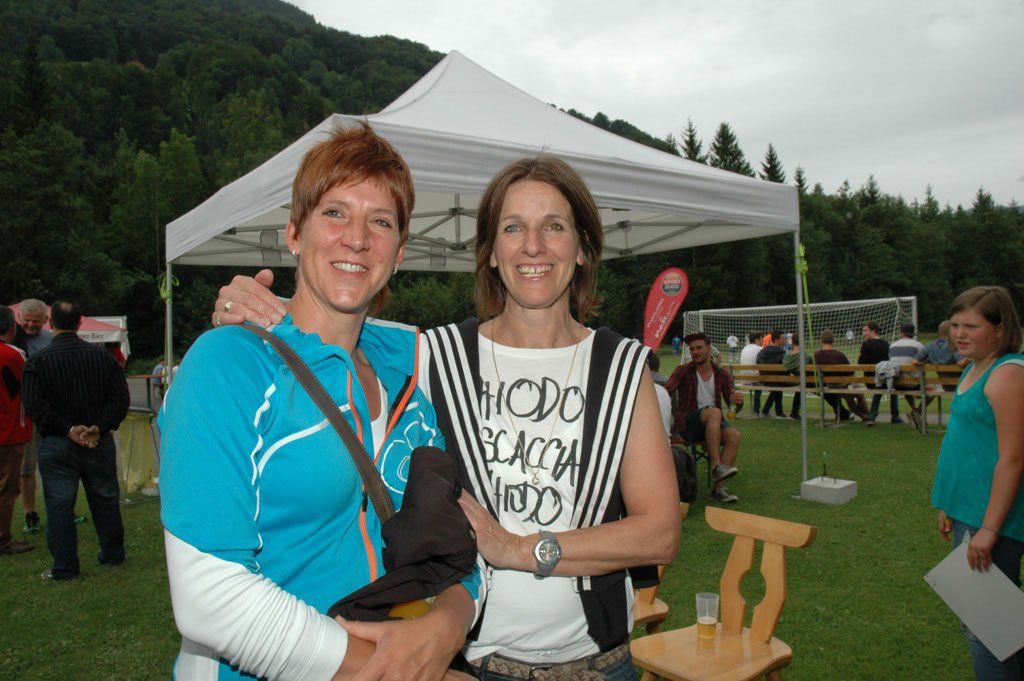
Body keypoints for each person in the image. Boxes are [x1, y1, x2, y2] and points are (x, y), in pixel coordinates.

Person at [217, 154, 680, 680]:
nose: (533, 246)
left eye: (554, 227)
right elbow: (328, 316)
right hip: (468, 663)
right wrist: (254, 306)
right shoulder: (432, 354)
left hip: (598, 662)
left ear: (582, 249)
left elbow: (660, 533)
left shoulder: (622, 367)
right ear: (491, 253)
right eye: (513, 228)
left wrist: (519, 549)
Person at [162, 125, 481, 681]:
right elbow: (208, 598)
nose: (356, 239)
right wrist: (393, 671)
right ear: (294, 233)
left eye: (380, 222)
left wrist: (450, 622)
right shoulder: (229, 364)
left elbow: (454, 537)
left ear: (399, 252)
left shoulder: (407, 381)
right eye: (335, 212)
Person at [931, 285, 1024, 679]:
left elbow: (1013, 458)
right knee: (1001, 623)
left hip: (992, 516)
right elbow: (969, 444)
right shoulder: (975, 366)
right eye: (955, 325)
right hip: (967, 509)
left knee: (986, 629)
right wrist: (948, 504)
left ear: (1000, 329)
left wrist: (988, 529)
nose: (959, 334)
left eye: (971, 326)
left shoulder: (1007, 373)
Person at [22, 300, 129, 580]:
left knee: (59, 505)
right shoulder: (104, 358)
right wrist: (98, 428)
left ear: (49, 322)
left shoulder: (37, 362)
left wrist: (67, 429)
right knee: (105, 498)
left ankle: (65, 567)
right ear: (80, 323)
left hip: (57, 444)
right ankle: (113, 554)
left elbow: (34, 406)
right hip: (97, 442)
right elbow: (120, 400)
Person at [665, 332, 743, 503]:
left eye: (699, 348)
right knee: (714, 412)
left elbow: (732, 407)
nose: (695, 352)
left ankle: (718, 489)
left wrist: (738, 402)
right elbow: (666, 391)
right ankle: (716, 465)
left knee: (734, 435)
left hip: (713, 424)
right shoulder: (683, 370)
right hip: (688, 423)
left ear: (709, 349)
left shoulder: (722, 374)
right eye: (692, 349)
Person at [14, 299, 52, 535]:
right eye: (26, 321)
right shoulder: (9, 338)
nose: (30, 325)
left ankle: (62, 510)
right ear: (18, 317)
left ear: (45, 320)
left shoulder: (50, 339)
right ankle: (30, 513)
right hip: (24, 414)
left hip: (49, 411)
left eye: (35, 322)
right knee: (26, 468)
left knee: (55, 464)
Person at [0, 306, 34, 556]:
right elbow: (31, 384)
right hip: (8, 431)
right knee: (7, 488)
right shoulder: (13, 355)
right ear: (13, 327)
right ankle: (3, 540)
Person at [814, 329, 869, 422]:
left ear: (821, 340)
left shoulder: (816, 355)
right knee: (857, 393)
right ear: (833, 340)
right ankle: (868, 415)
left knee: (849, 395)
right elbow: (850, 371)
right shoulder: (839, 355)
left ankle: (864, 416)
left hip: (830, 385)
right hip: (843, 385)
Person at [890, 323, 925, 427]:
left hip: (896, 384)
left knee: (905, 382)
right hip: (914, 384)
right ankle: (917, 412)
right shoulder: (919, 345)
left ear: (901, 333)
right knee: (932, 390)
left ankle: (914, 410)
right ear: (912, 334)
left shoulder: (892, 345)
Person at [859, 320, 894, 425]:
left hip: (871, 381)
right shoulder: (885, 343)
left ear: (873, 331)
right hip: (885, 380)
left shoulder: (866, 344)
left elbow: (861, 363)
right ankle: (895, 416)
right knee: (889, 386)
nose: (863, 333)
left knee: (878, 386)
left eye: (865, 330)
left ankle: (871, 417)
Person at [755, 330, 787, 418]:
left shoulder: (762, 351)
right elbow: (786, 369)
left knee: (777, 385)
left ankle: (768, 411)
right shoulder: (782, 352)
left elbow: (758, 362)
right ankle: (779, 412)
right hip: (777, 381)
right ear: (776, 340)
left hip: (764, 380)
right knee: (779, 384)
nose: (785, 341)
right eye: (783, 339)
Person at [739, 332, 764, 415]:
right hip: (755, 380)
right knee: (760, 382)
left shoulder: (744, 348)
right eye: (761, 339)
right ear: (756, 340)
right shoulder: (760, 349)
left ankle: (756, 410)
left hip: (744, 379)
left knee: (757, 378)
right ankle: (756, 410)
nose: (762, 341)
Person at [782, 333, 803, 419]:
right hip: (800, 382)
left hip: (785, 381)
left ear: (792, 342)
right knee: (802, 385)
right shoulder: (804, 355)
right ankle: (794, 413)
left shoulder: (786, 355)